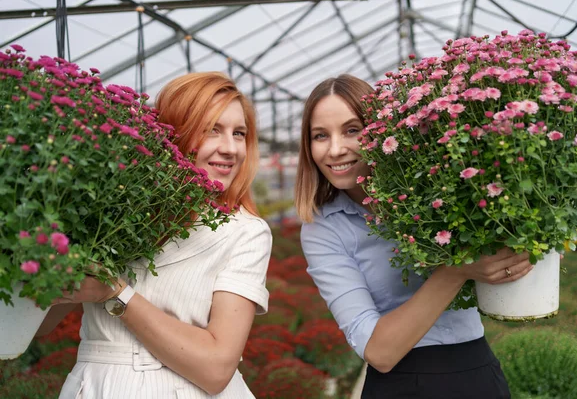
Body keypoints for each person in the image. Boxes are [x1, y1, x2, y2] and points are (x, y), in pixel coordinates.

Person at [295, 74, 532, 399]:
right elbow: (379, 352)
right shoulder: (323, 228)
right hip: (402, 385)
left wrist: (531, 245)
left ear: (379, 130)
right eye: (320, 136)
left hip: (478, 370)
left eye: (352, 130)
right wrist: (457, 269)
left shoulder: (437, 189)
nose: (335, 149)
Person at [36, 72, 272, 398]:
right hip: (96, 385)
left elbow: (217, 368)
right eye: (212, 130)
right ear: (173, 132)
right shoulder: (115, 209)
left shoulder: (245, 232)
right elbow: (38, 323)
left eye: (239, 133)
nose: (231, 148)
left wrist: (115, 293)